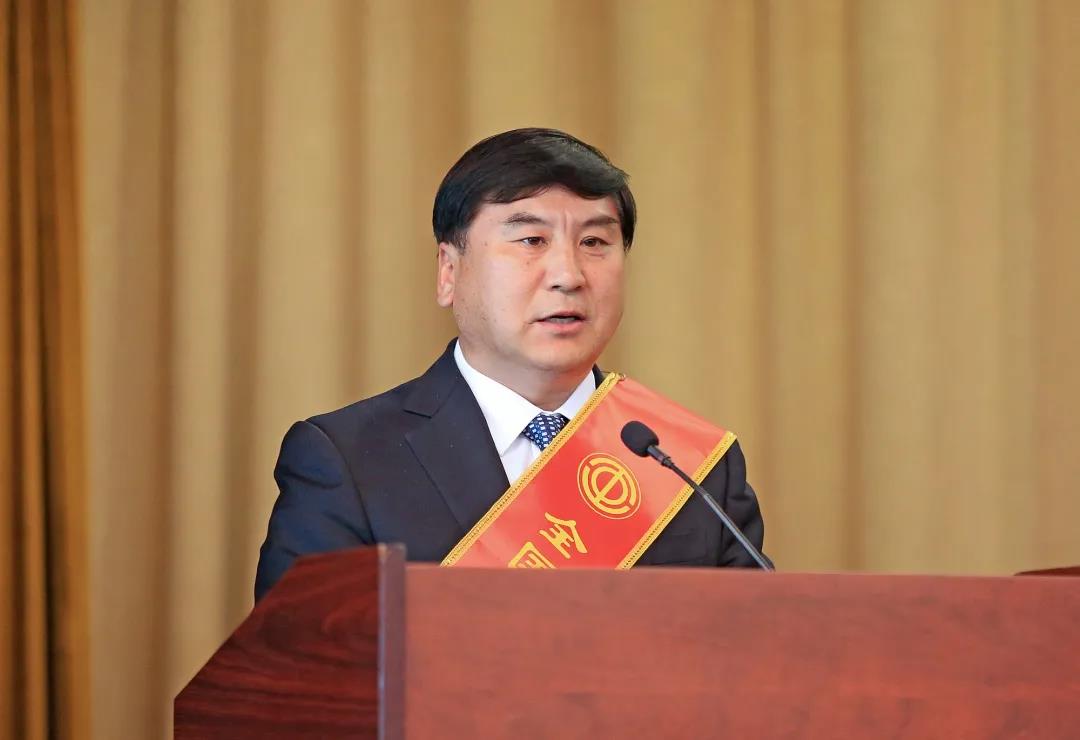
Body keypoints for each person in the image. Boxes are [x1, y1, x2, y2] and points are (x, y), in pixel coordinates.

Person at [255, 128, 764, 602]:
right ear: (449, 271)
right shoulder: (349, 462)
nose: (568, 275)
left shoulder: (690, 468)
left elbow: (755, 656)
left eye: (594, 242)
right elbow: (302, 665)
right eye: (531, 241)